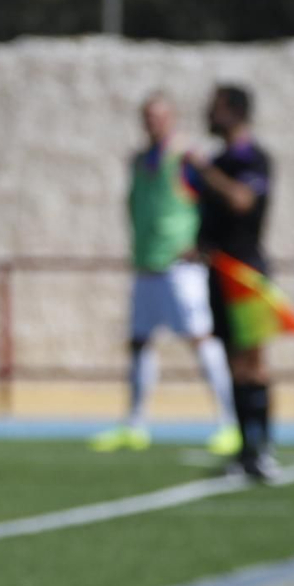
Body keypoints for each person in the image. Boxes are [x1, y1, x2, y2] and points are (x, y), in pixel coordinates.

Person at [91, 93, 239, 456]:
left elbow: (214, 201)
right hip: (146, 265)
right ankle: (136, 424)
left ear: (172, 118)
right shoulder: (140, 160)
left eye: (159, 116)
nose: (152, 123)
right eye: (147, 117)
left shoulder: (187, 158)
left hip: (180, 267)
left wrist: (203, 244)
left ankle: (229, 424)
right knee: (141, 342)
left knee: (202, 338)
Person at [186, 83, 279, 482]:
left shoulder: (252, 159)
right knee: (231, 364)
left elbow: (242, 201)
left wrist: (206, 171)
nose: (208, 113)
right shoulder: (218, 160)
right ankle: (244, 451)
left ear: (234, 112)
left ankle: (263, 450)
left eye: (215, 108)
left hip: (247, 273)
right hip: (217, 272)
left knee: (252, 363)